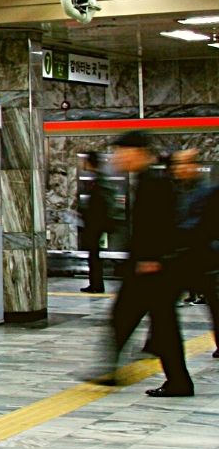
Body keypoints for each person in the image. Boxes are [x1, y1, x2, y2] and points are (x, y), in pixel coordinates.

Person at [103, 132, 195, 396]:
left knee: (152, 324)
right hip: (151, 266)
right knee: (148, 323)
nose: (119, 157)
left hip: (153, 269)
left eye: (122, 152)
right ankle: (112, 371)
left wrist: (150, 259)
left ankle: (177, 381)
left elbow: (160, 225)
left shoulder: (154, 182)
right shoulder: (148, 179)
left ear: (138, 152)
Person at [172, 150, 218, 354]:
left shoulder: (208, 191)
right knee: (162, 305)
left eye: (184, 164)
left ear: (194, 166)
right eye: (177, 164)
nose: (180, 169)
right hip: (184, 258)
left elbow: (201, 225)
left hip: (206, 258)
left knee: (216, 306)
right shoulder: (177, 192)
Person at [79, 150, 113, 293]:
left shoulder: (99, 180)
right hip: (96, 225)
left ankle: (96, 285)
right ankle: (95, 284)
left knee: (94, 256)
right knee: (93, 256)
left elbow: (99, 205)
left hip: (95, 225)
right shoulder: (99, 178)